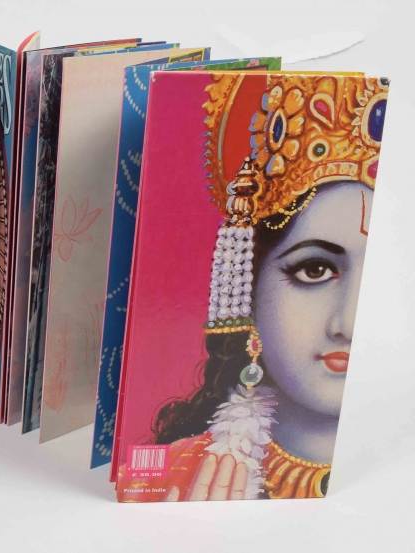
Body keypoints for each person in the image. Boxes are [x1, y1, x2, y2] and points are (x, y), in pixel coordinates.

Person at [119, 73, 389, 500]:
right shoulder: (164, 482)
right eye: (315, 270)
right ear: (249, 290)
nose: (350, 325)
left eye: (378, 274)